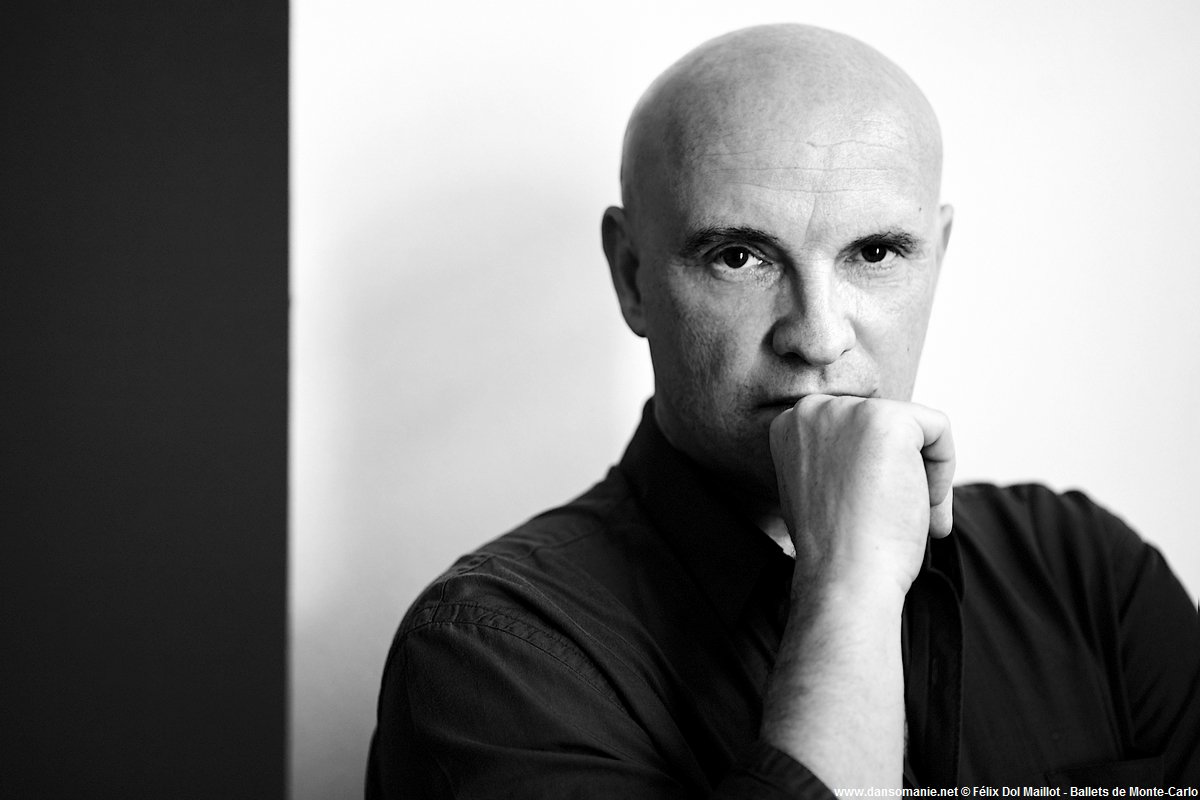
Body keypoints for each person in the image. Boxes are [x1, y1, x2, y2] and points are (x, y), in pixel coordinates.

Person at [366, 24, 1200, 797]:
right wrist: (849, 589)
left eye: (875, 252)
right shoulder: (489, 650)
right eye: (739, 257)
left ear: (937, 258)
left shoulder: (1089, 575)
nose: (819, 336)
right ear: (632, 276)